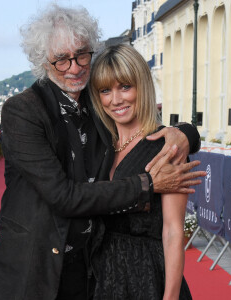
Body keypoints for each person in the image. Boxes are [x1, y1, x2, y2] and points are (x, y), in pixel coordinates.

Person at [0, 5, 204, 300]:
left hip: (92, 274)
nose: (74, 67)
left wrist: (186, 135)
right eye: (61, 59)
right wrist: (147, 184)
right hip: (35, 268)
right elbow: (62, 196)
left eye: (81, 55)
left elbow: (131, 102)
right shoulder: (23, 110)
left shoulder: (96, 105)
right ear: (44, 62)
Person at [89, 44, 191, 299]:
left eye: (125, 86)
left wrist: (170, 296)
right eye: (105, 90)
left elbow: (173, 230)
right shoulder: (97, 146)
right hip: (99, 274)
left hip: (147, 276)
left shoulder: (167, 146)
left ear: (142, 86)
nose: (116, 100)